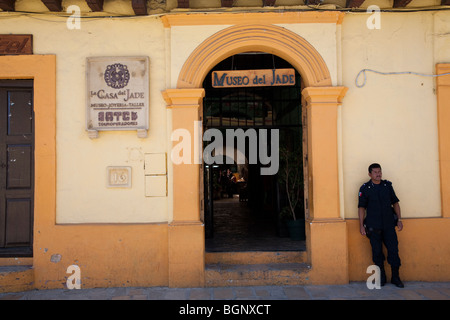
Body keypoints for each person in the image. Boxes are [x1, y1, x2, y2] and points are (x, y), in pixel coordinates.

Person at [358, 163, 404, 288]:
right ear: (370, 174)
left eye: (379, 171)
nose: (378, 174)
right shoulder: (365, 188)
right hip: (373, 226)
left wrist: (399, 219)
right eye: (375, 172)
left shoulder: (387, 186)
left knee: (393, 251)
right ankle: (381, 278)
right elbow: (361, 207)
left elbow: (395, 203)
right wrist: (361, 225)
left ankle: (396, 278)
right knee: (377, 253)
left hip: (389, 225)